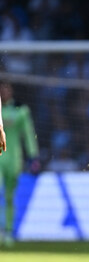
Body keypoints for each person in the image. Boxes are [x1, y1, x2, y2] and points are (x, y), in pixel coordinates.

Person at [0, 83, 39, 247]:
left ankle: (8, 231)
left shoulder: (20, 111)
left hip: (14, 159)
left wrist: (33, 156)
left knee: (10, 197)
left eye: (6, 88)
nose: (4, 91)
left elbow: (29, 134)